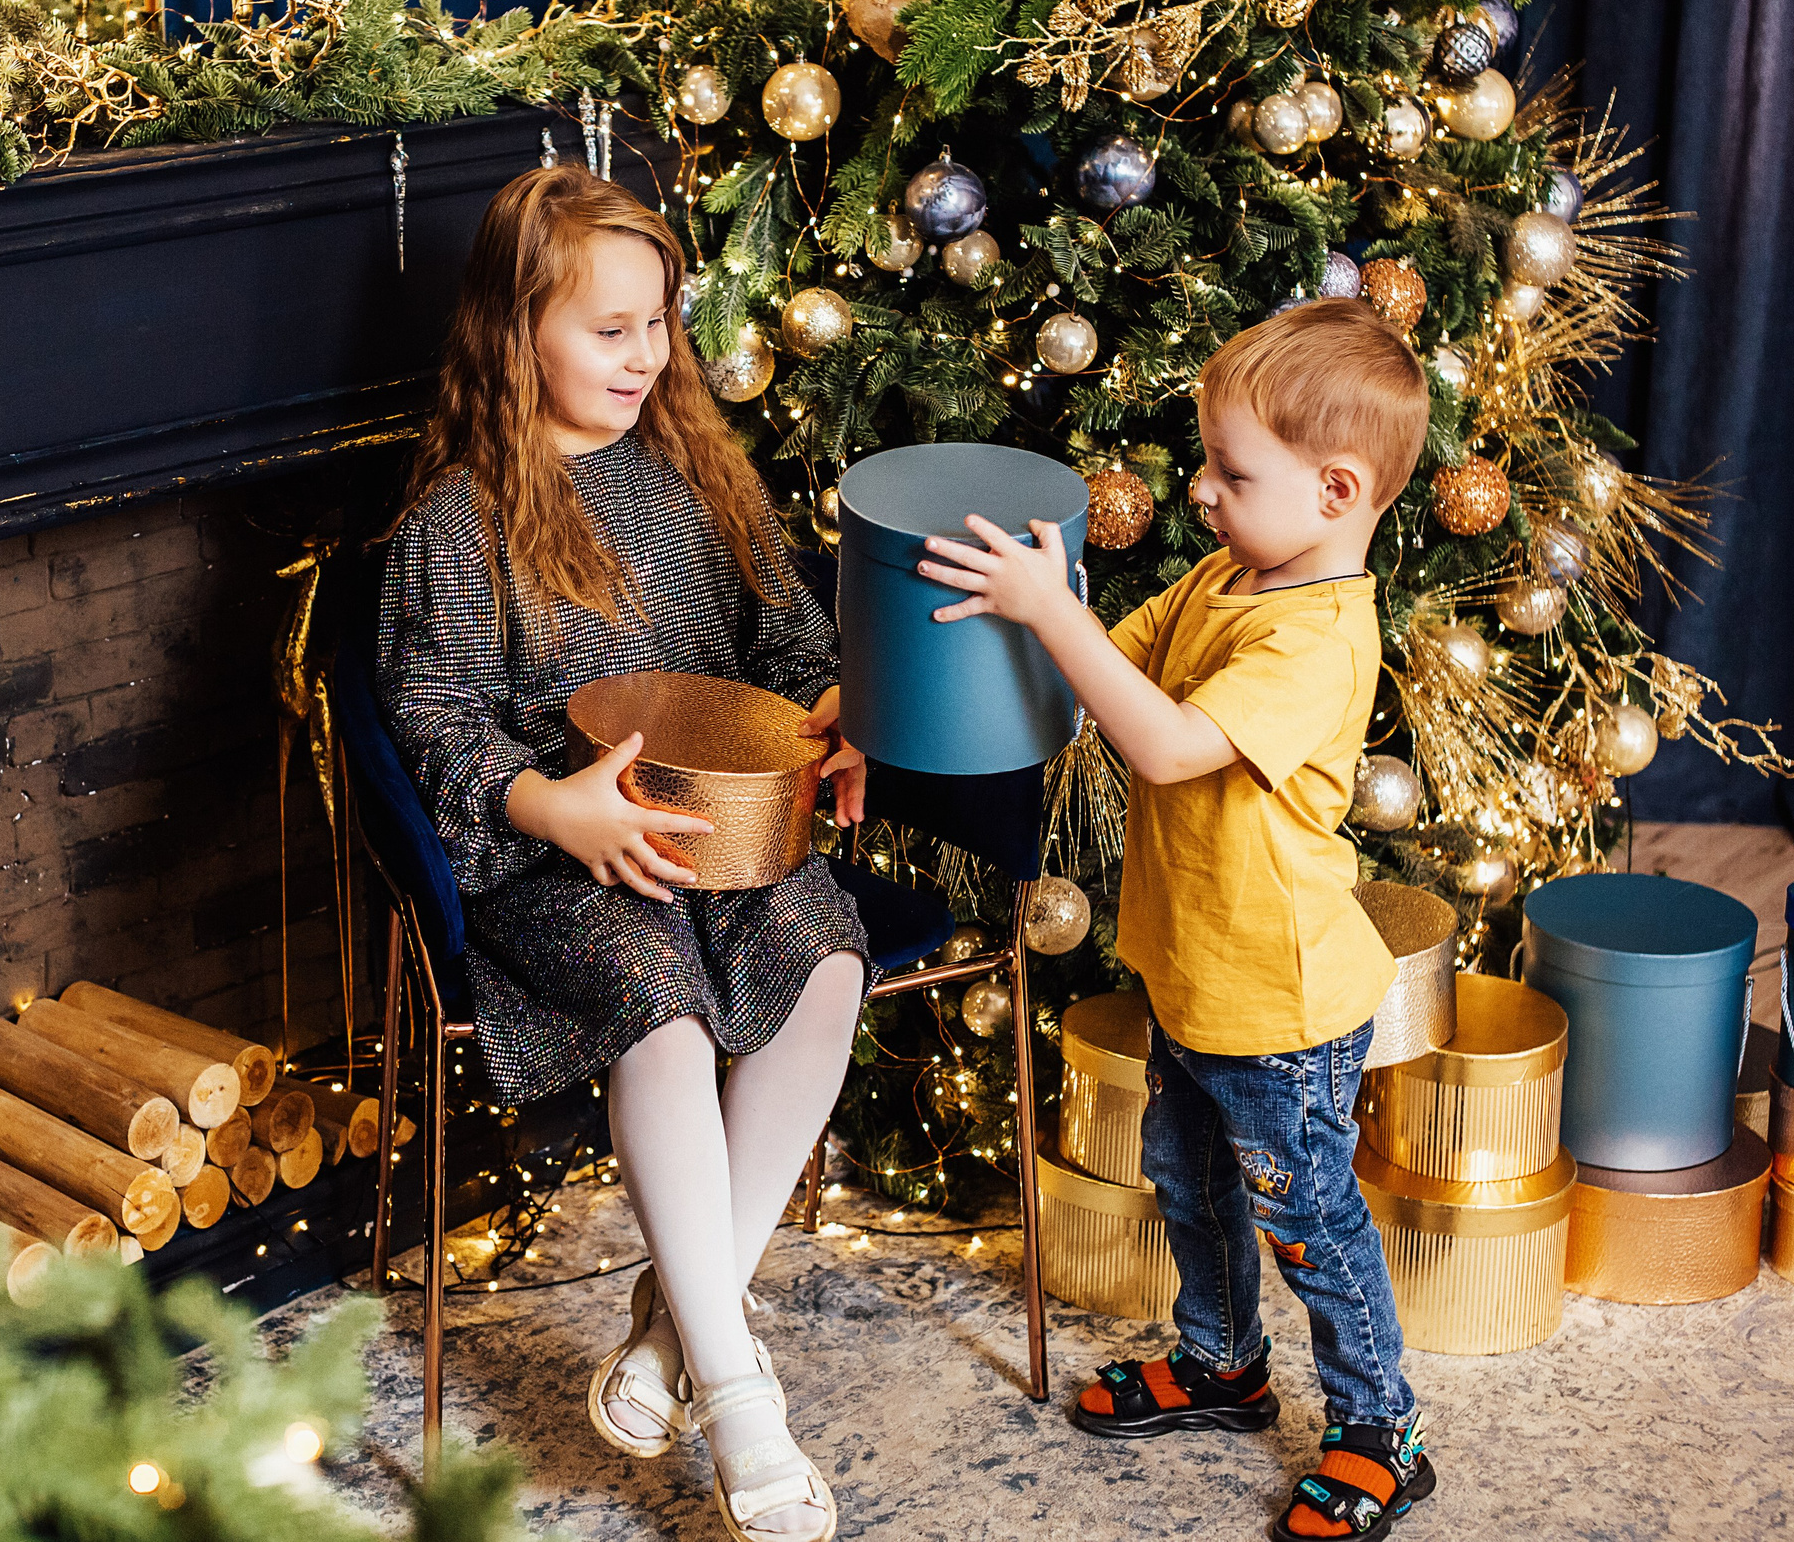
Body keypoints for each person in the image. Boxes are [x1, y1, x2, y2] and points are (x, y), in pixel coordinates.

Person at [375, 165, 865, 1542]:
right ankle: (735, 1387)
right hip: (563, 857)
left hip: (730, 831)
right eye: (609, 329)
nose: (646, 356)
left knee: (824, 965)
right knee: (660, 1018)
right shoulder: (455, 525)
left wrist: (834, 721)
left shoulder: (699, 476)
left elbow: (792, 643)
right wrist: (550, 808)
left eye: (659, 323)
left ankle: (662, 1332)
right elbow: (431, 720)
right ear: (515, 329)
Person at [915, 299, 1437, 1542]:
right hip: (1192, 975)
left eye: (1231, 471)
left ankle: (1382, 1428)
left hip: (1281, 1004)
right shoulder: (1229, 575)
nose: (1200, 490)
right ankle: (1223, 1364)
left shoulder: (1317, 636)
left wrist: (1051, 612)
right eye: (1206, 463)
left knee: (1307, 1218)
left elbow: (1158, 742)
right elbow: (1107, 670)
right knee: (1189, 1188)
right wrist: (1005, 623)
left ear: (1336, 489)